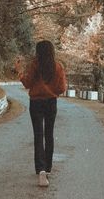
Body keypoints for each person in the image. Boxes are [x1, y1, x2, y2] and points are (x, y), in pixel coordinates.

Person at [15, 40, 67, 187]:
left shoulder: (34, 66)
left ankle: (41, 170)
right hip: (51, 102)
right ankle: (48, 168)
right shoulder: (58, 67)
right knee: (49, 134)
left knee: (38, 135)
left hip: (36, 103)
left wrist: (19, 71)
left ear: (39, 52)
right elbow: (62, 88)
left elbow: (27, 83)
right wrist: (52, 91)